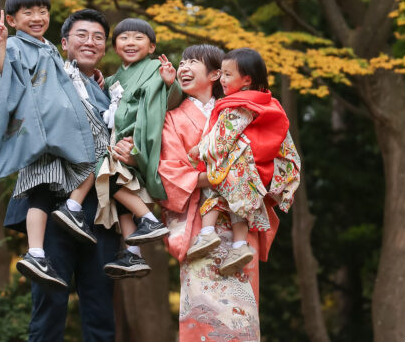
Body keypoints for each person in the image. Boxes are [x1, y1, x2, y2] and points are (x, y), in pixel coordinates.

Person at [4, 7, 123, 342]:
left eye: (98, 37)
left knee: (100, 304)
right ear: (64, 43)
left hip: (100, 209)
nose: (90, 42)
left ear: (104, 48)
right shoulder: (45, 74)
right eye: (81, 35)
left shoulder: (113, 91)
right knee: (49, 303)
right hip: (53, 201)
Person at [157, 45, 288, 342]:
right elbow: (169, 172)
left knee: (242, 313)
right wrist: (218, 175)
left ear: (216, 74)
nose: (184, 67)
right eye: (182, 62)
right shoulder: (173, 118)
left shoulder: (244, 108)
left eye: (193, 61)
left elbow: (273, 150)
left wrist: (247, 173)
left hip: (240, 220)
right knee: (203, 313)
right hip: (199, 226)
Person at [0, 0, 101, 288]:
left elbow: (63, 81)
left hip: (59, 132)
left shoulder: (47, 48)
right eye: (28, 13)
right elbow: (2, 83)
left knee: (82, 167)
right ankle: (35, 252)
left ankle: (67, 215)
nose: (37, 18)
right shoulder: (14, 47)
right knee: (40, 190)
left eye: (42, 11)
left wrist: (90, 78)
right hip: (39, 133)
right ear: (11, 19)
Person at [187, 47, 301, 276]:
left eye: (228, 74)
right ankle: (240, 246)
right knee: (237, 204)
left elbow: (221, 140)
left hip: (239, 167)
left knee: (215, 191)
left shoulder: (237, 105)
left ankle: (207, 233)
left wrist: (199, 150)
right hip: (259, 170)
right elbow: (285, 142)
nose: (222, 79)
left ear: (246, 79)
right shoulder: (268, 103)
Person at [94, 18, 182, 260]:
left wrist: (169, 83)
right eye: (123, 38)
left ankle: (149, 220)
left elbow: (167, 104)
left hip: (140, 141)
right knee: (117, 192)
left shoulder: (155, 67)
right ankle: (133, 251)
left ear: (151, 47)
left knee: (105, 176)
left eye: (138, 38)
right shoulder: (114, 79)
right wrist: (101, 83)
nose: (130, 42)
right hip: (118, 142)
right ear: (114, 46)